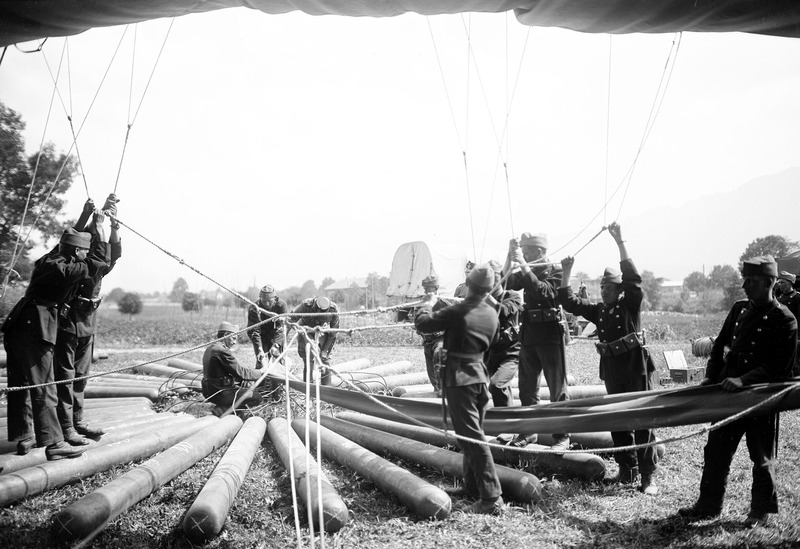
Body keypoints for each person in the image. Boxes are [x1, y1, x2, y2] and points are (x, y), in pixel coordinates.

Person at [678, 256, 797, 526]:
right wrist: (710, 379)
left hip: (759, 401)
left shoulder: (785, 319)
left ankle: (760, 512)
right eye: (744, 279)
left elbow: (780, 366)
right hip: (727, 396)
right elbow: (719, 347)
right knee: (716, 451)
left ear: (769, 282)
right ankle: (708, 506)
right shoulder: (739, 309)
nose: (745, 286)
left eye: (751, 281)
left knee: (762, 457)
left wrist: (745, 380)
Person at [558, 222, 659, 494]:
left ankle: (648, 477)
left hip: (635, 368)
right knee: (617, 420)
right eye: (601, 287)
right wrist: (566, 272)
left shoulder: (630, 305)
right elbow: (570, 304)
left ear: (619, 289)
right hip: (613, 370)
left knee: (641, 421)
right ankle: (627, 470)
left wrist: (620, 242)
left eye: (608, 287)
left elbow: (634, 279)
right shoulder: (600, 311)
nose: (603, 291)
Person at [2, 217, 110, 460]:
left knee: (21, 384)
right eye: (84, 249)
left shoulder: (50, 260)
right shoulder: (71, 269)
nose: (87, 253)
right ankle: (54, 444)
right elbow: (100, 261)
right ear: (76, 252)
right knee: (45, 386)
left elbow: (66, 240)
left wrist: (84, 217)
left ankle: (24, 436)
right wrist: (100, 229)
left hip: (17, 325)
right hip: (37, 327)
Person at [414, 264, 503, 514]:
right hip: (478, 377)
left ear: (469, 285)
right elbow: (494, 342)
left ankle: (491, 498)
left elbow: (424, 324)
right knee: (470, 434)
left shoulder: (459, 309)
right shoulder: (492, 312)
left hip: (460, 378)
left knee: (472, 437)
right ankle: (473, 487)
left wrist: (427, 302)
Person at [54, 194, 121, 445]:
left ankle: (77, 421)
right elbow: (77, 240)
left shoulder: (99, 262)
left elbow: (113, 253)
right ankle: (65, 427)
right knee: (65, 377)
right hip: (69, 322)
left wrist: (111, 223)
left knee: (81, 376)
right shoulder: (75, 263)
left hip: (87, 323)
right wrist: (97, 223)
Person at [503, 232, 570, 450]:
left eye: (527, 250)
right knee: (527, 388)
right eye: (522, 249)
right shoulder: (526, 269)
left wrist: (523, 264)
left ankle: (562, 436)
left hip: (550, 335)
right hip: (530, 334)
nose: (524, 253)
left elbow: (543, 291)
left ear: (539, 251)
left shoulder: (556, 271)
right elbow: (505, 283)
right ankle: (528, 432)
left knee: (557, 389)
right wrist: (509, 256)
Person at [202, 321, 263, 415]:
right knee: (257, 397)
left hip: (208, 391)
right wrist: (261, 372)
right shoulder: (222, 350)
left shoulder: (210, 348)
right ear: (226, 335)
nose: (234, 342)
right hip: (220, 393)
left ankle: (225, 406)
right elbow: (241, 372)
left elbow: (229, 371)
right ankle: (223, 409)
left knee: (244, 386)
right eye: (233, 338)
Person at [484, 260, 523, 407]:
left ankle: (506, 422)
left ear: (500, 277)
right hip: (490, 353)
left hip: (511, 353)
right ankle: (505, 422)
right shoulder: (482, 301)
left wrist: (489, 299)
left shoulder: (512, 296)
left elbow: (505, 312)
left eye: (492, 276)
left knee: (497, 385)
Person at [247, 284, 289, 399]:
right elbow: (254, 331)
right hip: (261, 336)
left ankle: (277, 395)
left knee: (276, 362)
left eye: (269, 301)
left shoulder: (281, 306)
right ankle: (259, 394)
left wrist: (276, 345)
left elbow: (282, 328)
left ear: (275, 299)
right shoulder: (254, 308)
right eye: (264, 301)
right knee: (261, 361)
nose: (266, 304)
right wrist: (260, 349)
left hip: (276, 335)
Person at [292, 296, 339, 385]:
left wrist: (325, 350)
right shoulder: (306, 305)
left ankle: (326, 390)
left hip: (322, 332)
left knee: (324, 360)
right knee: (308, 360)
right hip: (305, 330)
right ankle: (309, 391)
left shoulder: (333, 309)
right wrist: (309, 341)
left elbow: (333, 332)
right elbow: (292, 319)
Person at [415, 274, 449, 395]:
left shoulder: (444, 304)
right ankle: (437, 391)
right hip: (427, 341)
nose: (427, 291)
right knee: (432, 373)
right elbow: (417, 325)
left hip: (440, 339)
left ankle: (443, 392)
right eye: (425, 288)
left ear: (436, 288)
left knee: (438, 357)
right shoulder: (421, 304)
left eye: (429, 288)